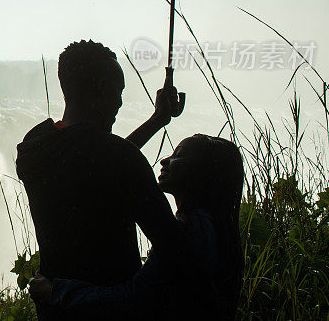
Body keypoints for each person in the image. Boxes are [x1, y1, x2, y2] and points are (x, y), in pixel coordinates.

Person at [16, 40, 195, 319]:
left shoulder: (33, 148)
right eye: (118, 91)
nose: (120, 101)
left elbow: (92, 159)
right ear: (101, 88)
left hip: (54, 310)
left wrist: (156, 121)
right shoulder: (118, 159)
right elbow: (176, 251)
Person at [29, 134, 245, 320]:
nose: (165, 160)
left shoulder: (189, 231)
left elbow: (135, 300)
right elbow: (112, 161)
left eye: (179, 155)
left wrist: (55, 291)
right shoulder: (211, 227)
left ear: (204, 172)